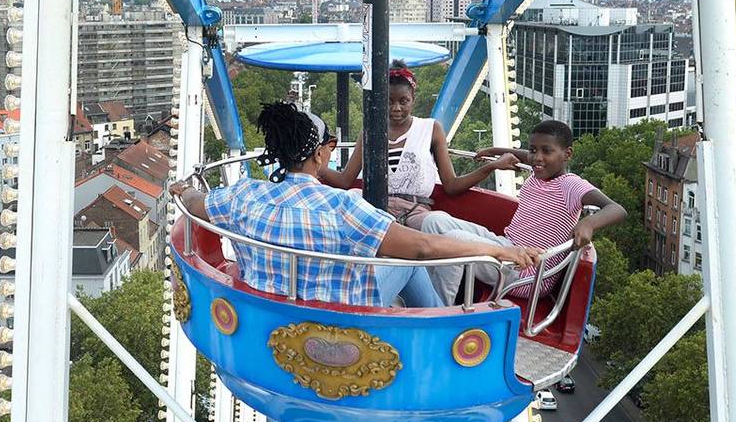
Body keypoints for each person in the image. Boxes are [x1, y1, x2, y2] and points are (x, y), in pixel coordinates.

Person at [170, 101, 543, 309]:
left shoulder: (242, 196)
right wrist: (496, 249)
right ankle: (439, 321)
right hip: (340, 316)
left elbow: (194, 201)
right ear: (319, 155)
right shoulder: (343, 207)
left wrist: (182, 189)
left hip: (268, 312)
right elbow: (424, 247)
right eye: (330, 146)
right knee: (407, 263)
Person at [420, 120, 627, 305]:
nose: (537, 158)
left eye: (546, 151)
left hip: (527, 271)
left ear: (567, 154)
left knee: (455, 239)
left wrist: (588, 223)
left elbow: (617, 209)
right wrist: (496, 150)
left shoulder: (570, 185)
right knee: (433, 221)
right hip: (507, 246)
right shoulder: (539, 173)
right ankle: (427, 295)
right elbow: (526, 158)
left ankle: (438, 309)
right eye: (533, 150)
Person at [321, 61, 500, 229]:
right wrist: (315, 165)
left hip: (416, 211)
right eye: (389, 101)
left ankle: (496, 246)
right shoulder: (370, 132)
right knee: (351, 197)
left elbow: (451, 184)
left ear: (413, 98)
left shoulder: (431, 129)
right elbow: (346, 180)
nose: (396, 108)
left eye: (403, 101)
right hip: (377, 210)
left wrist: (491, 167)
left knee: (439, 224)